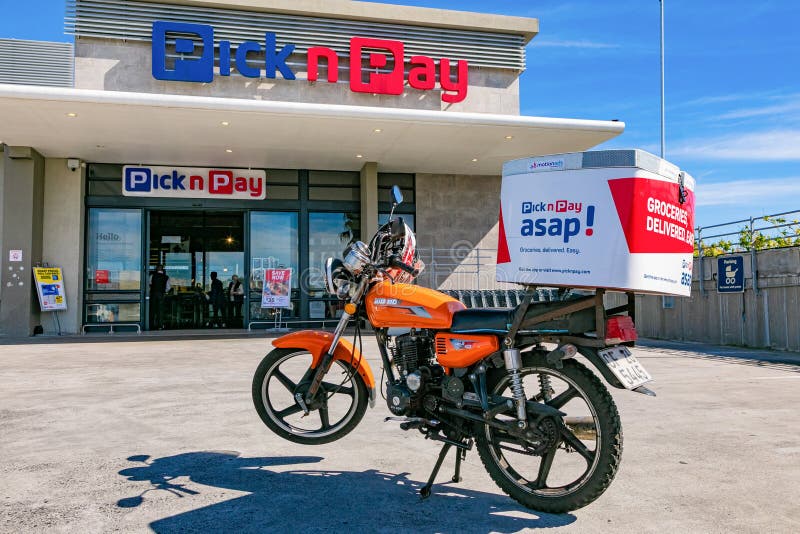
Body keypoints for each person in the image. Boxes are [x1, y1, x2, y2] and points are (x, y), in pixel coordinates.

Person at [149, 264, 170, 330]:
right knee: (160, 310)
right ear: (162, 269)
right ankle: (160, 326)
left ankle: (151, 325)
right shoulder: (166, 277)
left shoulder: (152, 276)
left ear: (156, 269)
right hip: (161, 294)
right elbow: (168, 288)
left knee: (152, 310)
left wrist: (151, 290)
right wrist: (165, 291)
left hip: (153, 294)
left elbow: (149, 285)